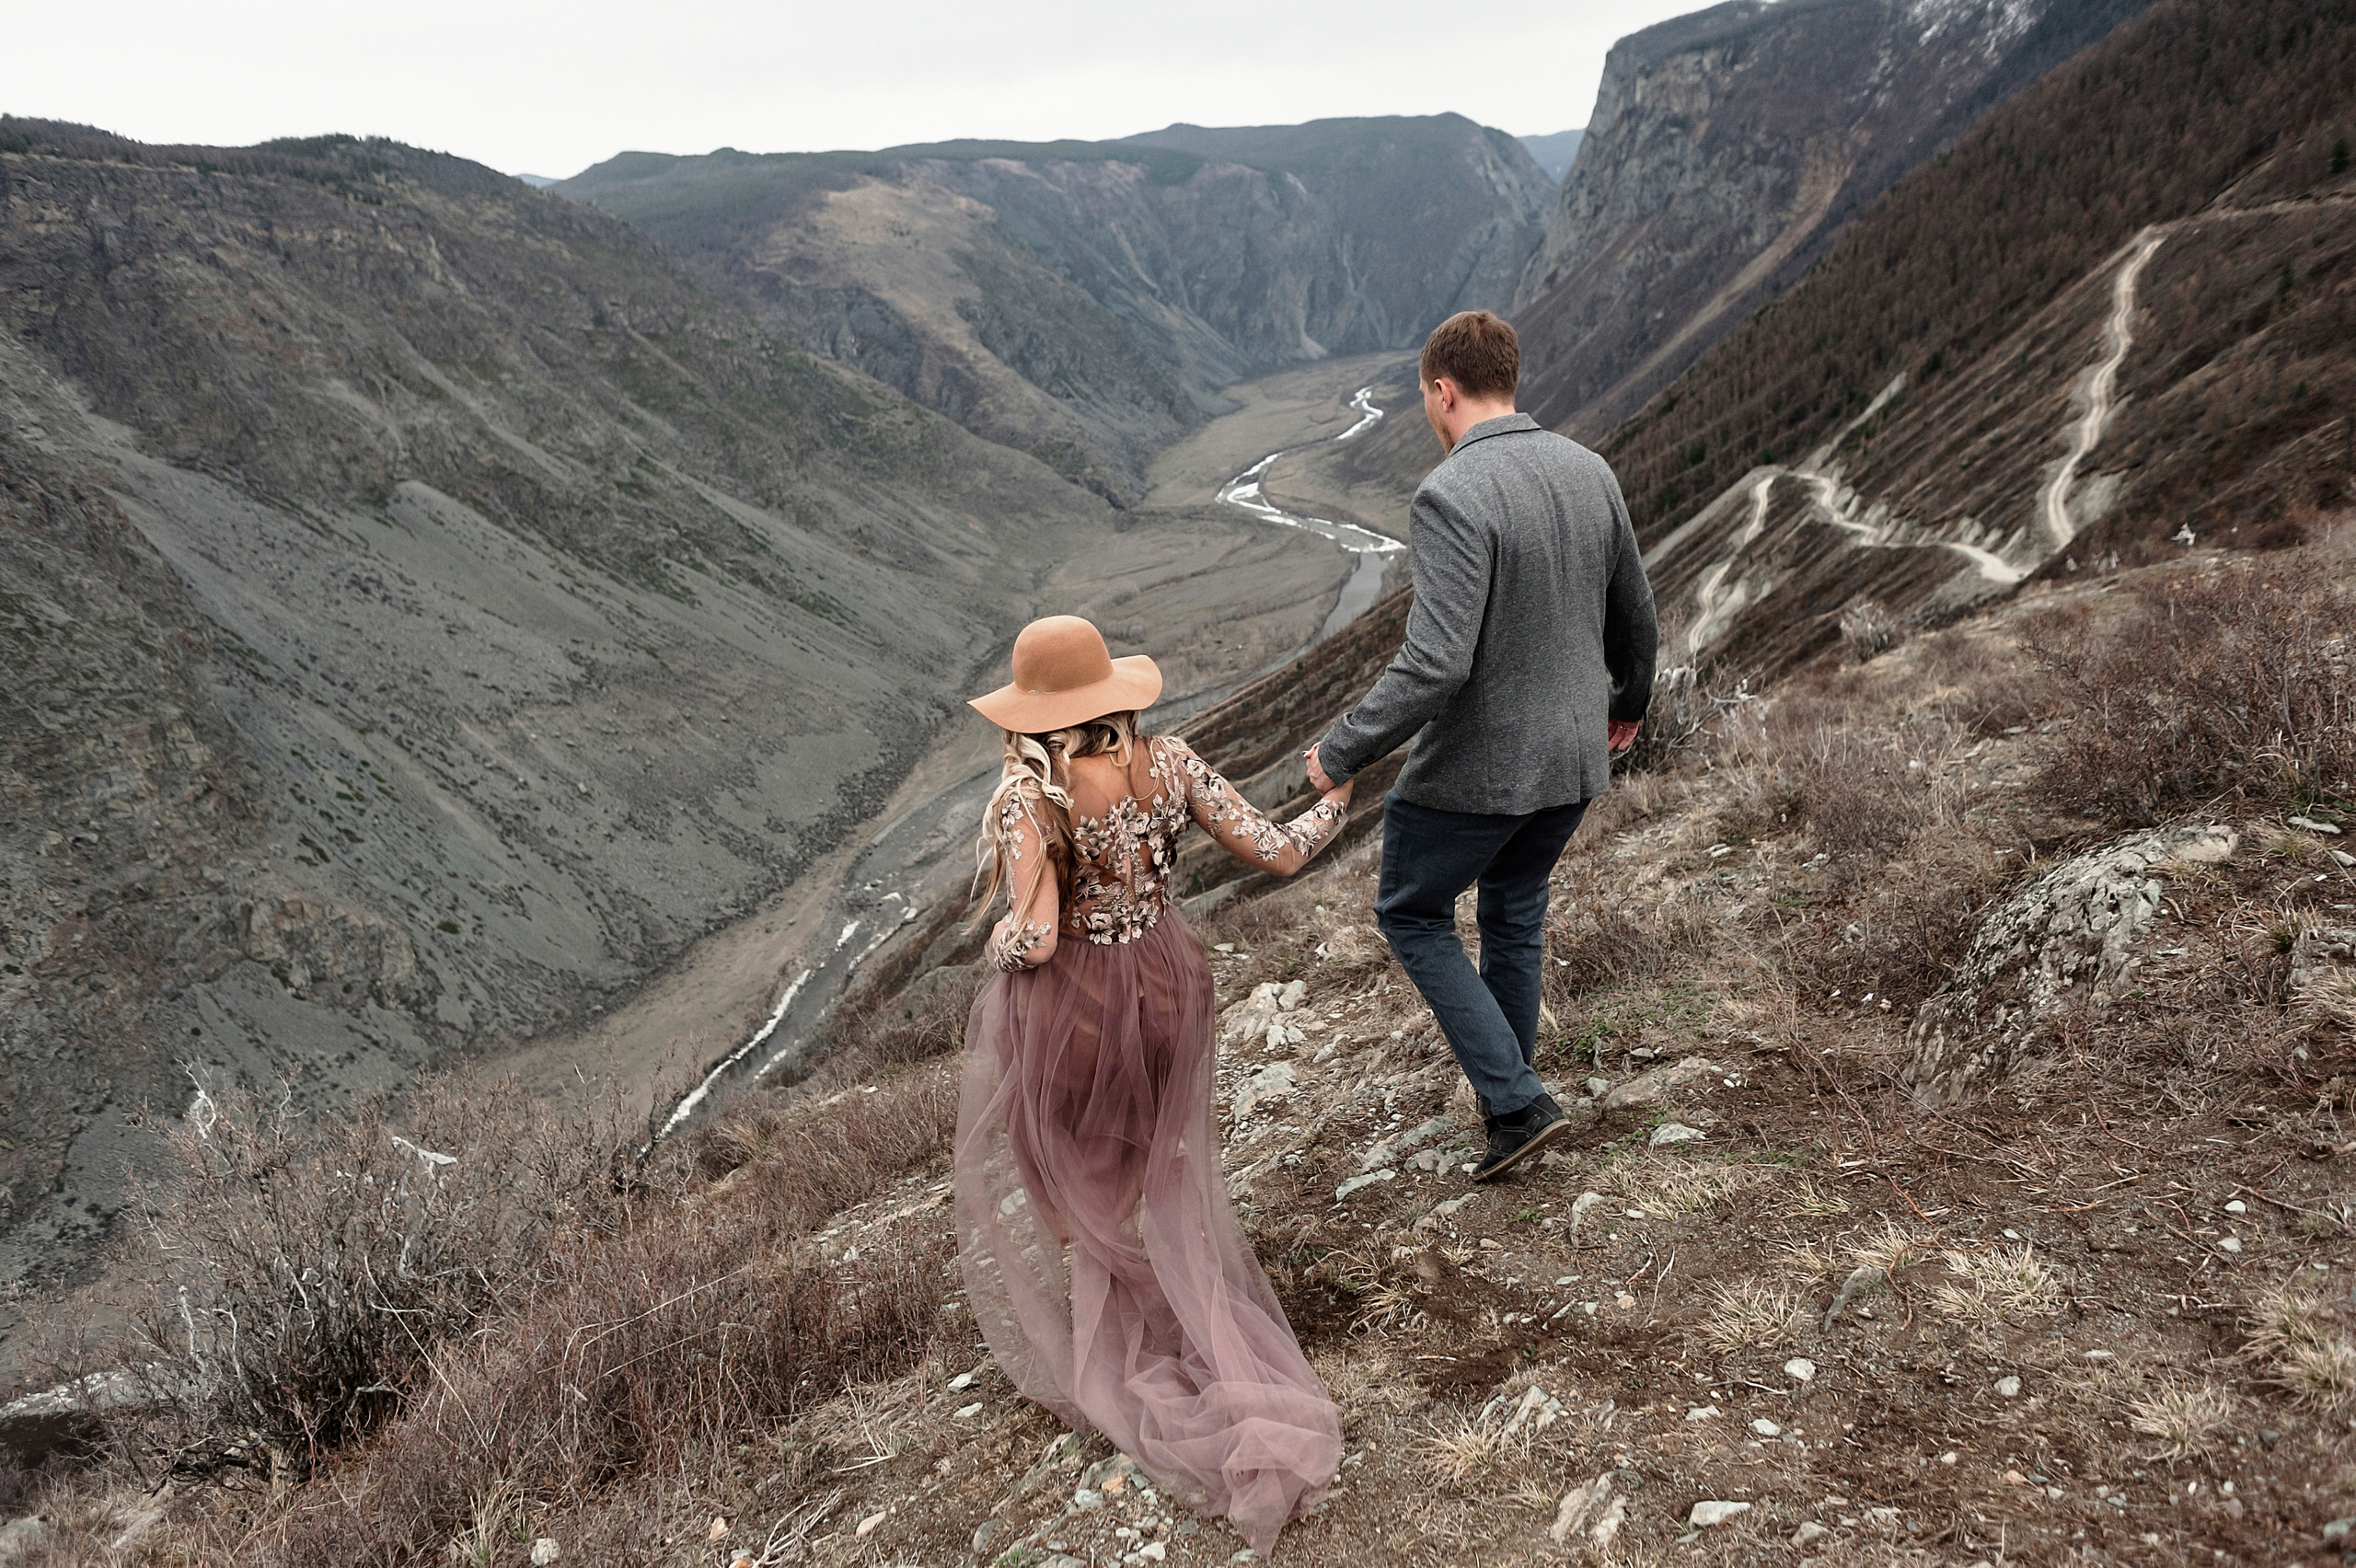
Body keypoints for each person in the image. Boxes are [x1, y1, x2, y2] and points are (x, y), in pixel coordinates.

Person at [955, 614, 1354, 1555]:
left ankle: (1122, 1337)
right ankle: (1186, 1315)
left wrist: (996, 939)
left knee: (1075, 1183)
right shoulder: (1169, 761)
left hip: (1076, 1012)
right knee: (1158, 1164)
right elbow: (1279, 851)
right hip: (1170, 988)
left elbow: (1038, 937)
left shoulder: (1028, 799)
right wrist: (1337, 798)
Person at [1307, 309, 1657, 1182]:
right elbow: (1638, 615)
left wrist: (1341, 750)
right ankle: (1512, 1101)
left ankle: (1515, 1101)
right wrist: (1629, 705)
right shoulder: (1588, 469)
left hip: (1482, 770)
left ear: (1442, 389)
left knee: (1411, 912)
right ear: (1510, 378)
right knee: (1513, 904)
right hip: (1576, 757)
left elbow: (1435, 666)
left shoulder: (1450, 493)